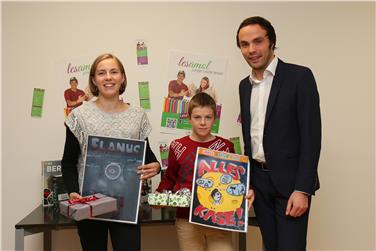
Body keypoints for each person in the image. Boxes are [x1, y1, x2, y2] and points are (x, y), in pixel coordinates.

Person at [236, 16, 321, 250]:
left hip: (291, 183)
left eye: (258, 41)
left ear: (272, 42)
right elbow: (250, 138)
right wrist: (248, 181)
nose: (251, 49)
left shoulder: (300, 77)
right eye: (244, 44)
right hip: (259, 184)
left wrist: (303, 189)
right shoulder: (244, 86)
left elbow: (311, 138)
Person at [61, 53, 161, 251]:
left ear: (122, 77)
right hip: (90, 204)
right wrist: (73, 191)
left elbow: (147, 156)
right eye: (102, 73)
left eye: (114, 72)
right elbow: (68, 162)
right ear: (93, 80)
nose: (108, 77)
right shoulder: (79, 116)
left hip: (126, 204)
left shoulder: (137, 115)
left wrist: (156, 166)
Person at [155, 92, 255, 251]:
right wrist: (159, 197)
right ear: (189, 118)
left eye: (208, 117)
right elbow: (169, 178)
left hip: (218, 219)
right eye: (197, 117)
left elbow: (235, 181)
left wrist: (246, 190)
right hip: (186, 220)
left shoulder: (226, 147)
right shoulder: (177, 146)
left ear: (214, 119)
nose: (202, 123)